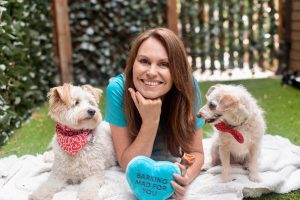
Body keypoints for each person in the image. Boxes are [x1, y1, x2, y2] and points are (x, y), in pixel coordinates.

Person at [105, 27, 205, 199]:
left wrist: (184, 176)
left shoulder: (189, 87)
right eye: (144, 61)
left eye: (164, 64)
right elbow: (128, 164)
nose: (151, 72)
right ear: (133, 63)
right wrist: (150, 122)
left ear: (177, 71)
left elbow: (195, 152)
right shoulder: (118, 89)